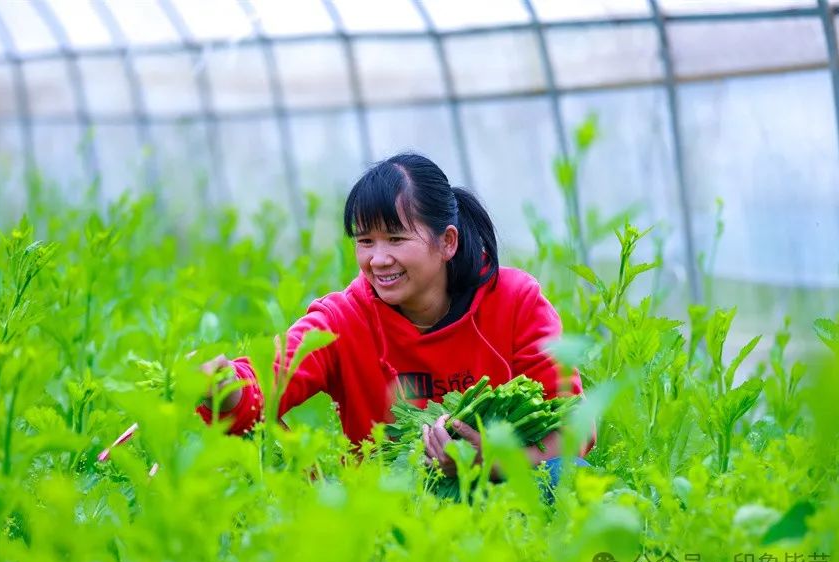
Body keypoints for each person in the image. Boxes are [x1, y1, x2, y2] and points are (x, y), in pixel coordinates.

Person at [198, 152, 594, 482]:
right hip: (388, 510)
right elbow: (271, 375)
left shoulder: (513, 302)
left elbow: (574, 430)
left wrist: (485, 463)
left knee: (570, 478)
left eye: (397, 238)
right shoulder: (342, 320)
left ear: (447, 242)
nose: (378, 259)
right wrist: (228, 388)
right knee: (239, 453)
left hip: (503, 495)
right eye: (365, 241)